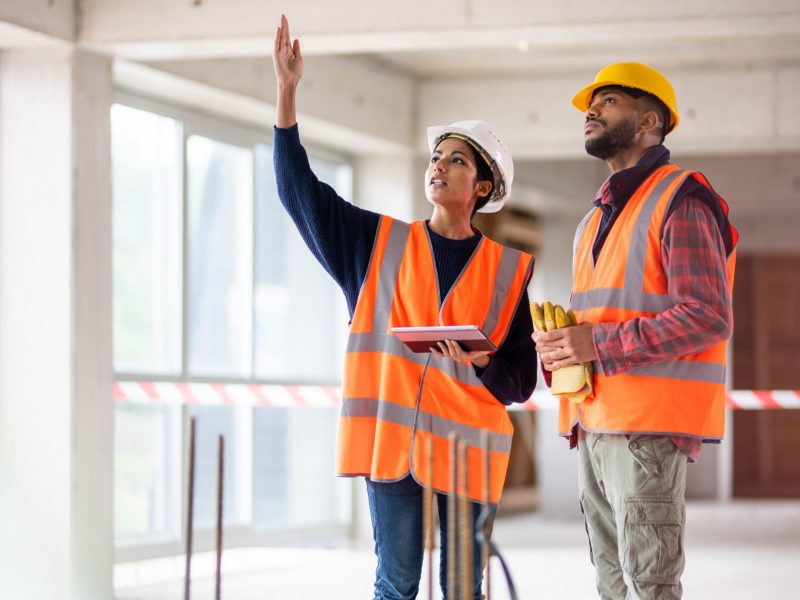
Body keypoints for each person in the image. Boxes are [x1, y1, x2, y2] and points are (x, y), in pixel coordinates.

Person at [272, 16, 537, 600]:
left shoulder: (509, 271)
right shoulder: (376, 244)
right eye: (436, 157)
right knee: (396, 583)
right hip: (393, 445)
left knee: (463, 587)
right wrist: (287, 98)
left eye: (457, 161)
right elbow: (299, 195)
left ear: (484, 189)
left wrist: (479, 363)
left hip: (468, 448)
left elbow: (522, 380)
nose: (438, 165)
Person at [532, 62, 738, 599]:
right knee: (611, 586)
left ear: (650, 120)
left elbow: (708, 314)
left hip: (647, 431)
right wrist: (560, 349)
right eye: (590, 105)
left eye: (609, 102)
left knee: (649, 586)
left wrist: (595, 345)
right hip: (593, 425)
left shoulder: (681, 198)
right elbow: (597, 320)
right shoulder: (592, 220)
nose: (591, 112)